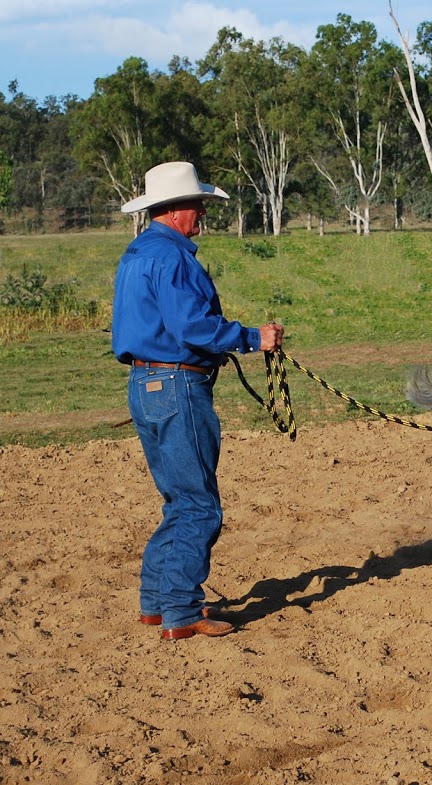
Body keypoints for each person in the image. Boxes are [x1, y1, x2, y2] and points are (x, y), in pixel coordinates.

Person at [112, 161, 284, 640]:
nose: (203, 214)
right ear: (176, 209)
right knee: (199, 506)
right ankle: (183, 612)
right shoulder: (172, 259)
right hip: (177, 387)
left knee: (179, 501)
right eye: (199, 205)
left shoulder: (137, 254)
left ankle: (156, 603)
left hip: (145, 385)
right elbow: (193, 327)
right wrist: (253, 338)